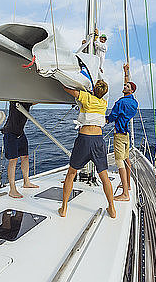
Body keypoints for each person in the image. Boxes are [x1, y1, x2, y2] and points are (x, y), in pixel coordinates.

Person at [59, 80, 116, 218]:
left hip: (84, 139)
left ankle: (64, 208)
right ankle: (112, 209)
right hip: (98, 141)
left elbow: (66, 87)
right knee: (104, 177)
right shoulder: (103, 103)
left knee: (71, 173)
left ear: (94, 89)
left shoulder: (86, 97)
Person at [106, 64, 138, 201]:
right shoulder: (134, 103)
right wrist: (126, 72)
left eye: (127, 87)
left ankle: (125, 194)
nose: (124, 87)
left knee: (119, 162)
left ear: (130, 91)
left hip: (119, 134)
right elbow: (128, 83)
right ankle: (128, 185)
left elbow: (113, 116)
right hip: (126, 135)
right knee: (126, 160)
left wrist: (105, 119)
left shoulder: (121, 102)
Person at [1, 101, 39, 198]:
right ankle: (12, 189)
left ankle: (26, 182)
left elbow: (35, 101)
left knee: (25, 157)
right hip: (10, 132)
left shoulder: (27, 102)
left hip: (20, 133)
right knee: (13, 160)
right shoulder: (15, 100)